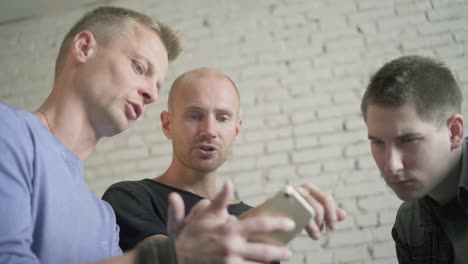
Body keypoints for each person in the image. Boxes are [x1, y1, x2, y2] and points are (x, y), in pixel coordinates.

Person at [0, 6, 295, 264]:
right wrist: (166, 257)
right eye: (139, 67)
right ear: (84, 47)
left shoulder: (104, 219)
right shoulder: (8, 130)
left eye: (157, 83)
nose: (152, 93)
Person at [103, 67, 347, 252]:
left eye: (222, 118)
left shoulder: (257, 221)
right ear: (168, 124)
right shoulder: (129, 198)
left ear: (236, 130)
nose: (209, 130)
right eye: (195, 115)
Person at [360, 55, 468, 263]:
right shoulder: (407, 223)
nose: (391, 166)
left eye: (408, 140)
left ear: (454, 132)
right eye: (377, 142)